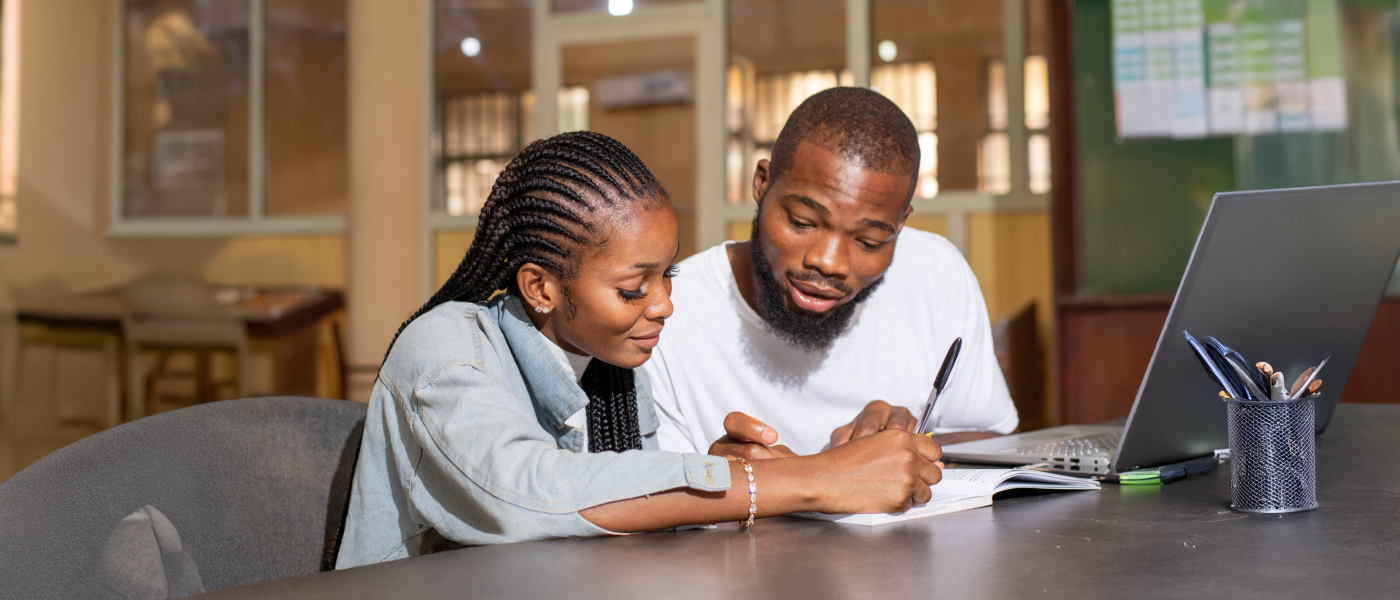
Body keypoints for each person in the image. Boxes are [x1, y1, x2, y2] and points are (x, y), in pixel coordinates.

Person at [336, 131, 944, 568]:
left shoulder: (611, 363)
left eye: (668, 277)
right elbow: (530, 492)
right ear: (541, 287)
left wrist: (733, 483)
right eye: (633, 288)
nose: (663, 306)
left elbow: (611, 515)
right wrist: (801, 482)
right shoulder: (447, 349)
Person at [641, 88, 1018, 460]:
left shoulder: (935, 272)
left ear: (901, 224)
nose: (829, 262)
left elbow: (994, 437)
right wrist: (741, 484)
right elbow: (640, 490)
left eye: (869, 241)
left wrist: (909, 442)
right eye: (803, 222)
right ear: (762, 184)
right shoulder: (666, 315)